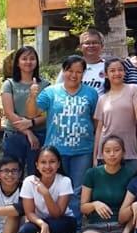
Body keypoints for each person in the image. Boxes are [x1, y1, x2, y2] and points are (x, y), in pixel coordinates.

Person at [28, 55, 99, 220]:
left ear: (83, 74)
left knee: (77, 190)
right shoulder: (51, 92)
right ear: (63, 71)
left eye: (78, 72)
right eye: (70, 71)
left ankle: (75, 226)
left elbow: (95, 120)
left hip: (83, 150)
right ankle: (54, 225)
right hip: (55, 152)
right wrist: (32, 96)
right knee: (55, 188)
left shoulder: (91, 93)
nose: (74, 75)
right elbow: (32, 113)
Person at [73, 135, 136, 233]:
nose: (112, 154)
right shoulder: (92, 173)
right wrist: (95, 204)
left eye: (116, 150)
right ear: (102, 153)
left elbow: (133, 211)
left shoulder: (130, 174)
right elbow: (83, 207)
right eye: (107, 151)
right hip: (96, 228)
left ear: (123, 152)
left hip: (118, 232)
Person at [18, 146, 78, 233]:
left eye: (52, 162)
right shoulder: (29, 182)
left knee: (58, 225)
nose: (48, 166)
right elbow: (29, 213)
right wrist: (42, 224)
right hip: (40, 222)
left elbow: (57, 214)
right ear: (37, 165)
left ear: (58, 164)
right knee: (25, 231)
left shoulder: (64, 181)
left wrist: (46, 193)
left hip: (63, 220)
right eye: (43, 162)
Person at [0, 45, 49, 175]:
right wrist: (28, 132)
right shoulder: (9, 84)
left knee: (36, 175)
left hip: (40, 134)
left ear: (37, 62)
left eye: (32, 58)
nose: (28, 62)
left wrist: (32, 123)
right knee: (13, 174)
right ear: (17, 62)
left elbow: (49, 114)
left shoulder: (45, 85)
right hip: (14, 135)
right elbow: (9, 113)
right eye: (24, 58)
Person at [93, 57, 137, 167]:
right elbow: (99, 128)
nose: (117, 73)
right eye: (112, 71)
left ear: (124, 72)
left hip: (128, 150)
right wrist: (95, 155)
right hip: (106, 152)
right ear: (106, 75)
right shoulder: (102, 98)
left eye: (120, 70)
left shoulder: (133, 89)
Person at [57, 28, 107, 94]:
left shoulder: (108, 67)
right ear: (80, 47)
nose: (91, 45)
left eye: (95, 42)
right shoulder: (70, 65)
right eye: (87, 43)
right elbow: (58, 89)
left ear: (102, 46)